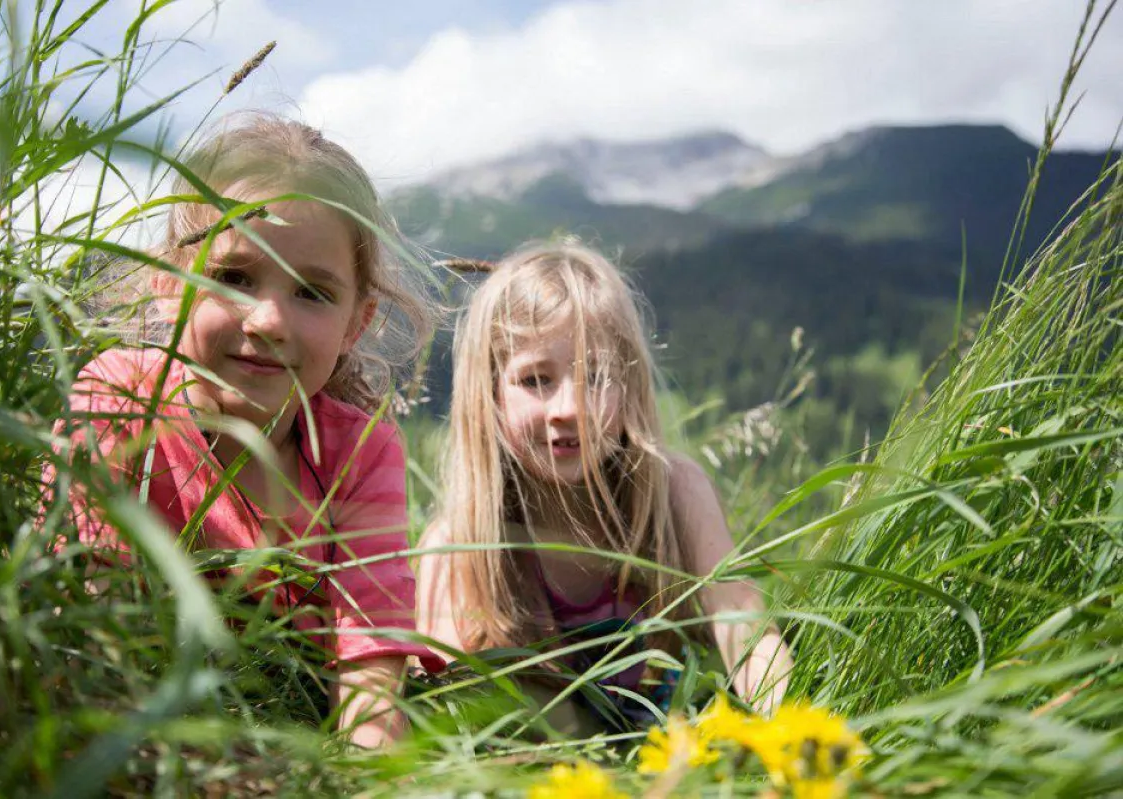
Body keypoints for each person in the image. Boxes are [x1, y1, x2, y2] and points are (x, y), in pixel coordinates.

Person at [44, 114, 441, 748]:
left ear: (356, 324)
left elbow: (371, 670)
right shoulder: (119, 398)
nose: (269, 320)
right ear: (167, 287)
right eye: (231, 277)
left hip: (299, 742)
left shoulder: (359, 452)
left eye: (312, 292)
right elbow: (85, 624)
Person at [416, 241, 792, 734]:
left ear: (630, 385)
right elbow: (449, 714)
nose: (568, 408)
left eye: (596, 376)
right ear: (489, 395)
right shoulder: (457, 547)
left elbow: (744, 627)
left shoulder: (674, 492)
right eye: (534, 380)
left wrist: (787, 738)